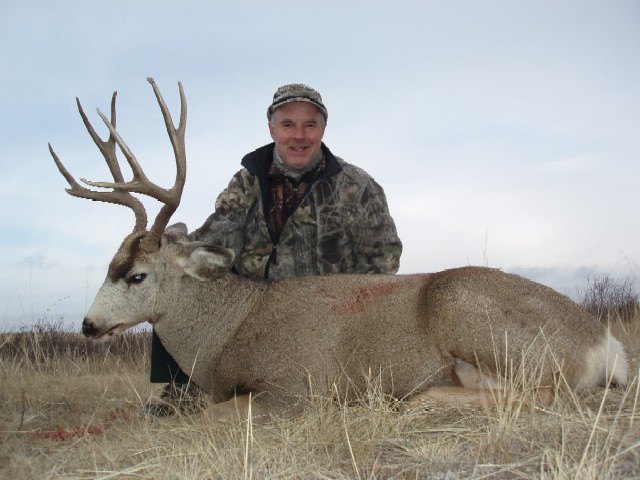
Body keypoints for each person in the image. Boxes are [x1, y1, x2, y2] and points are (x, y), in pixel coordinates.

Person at [146, 83, 403, 415]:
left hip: (327, 313)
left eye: (309, 125)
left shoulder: (358, 186)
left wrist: (353, 298)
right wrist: (170, 252)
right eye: (287, 125)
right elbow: (221, 231)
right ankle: (181, 390)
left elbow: (386, 254)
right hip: (254, 310)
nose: (299, 135)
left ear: (323, 129)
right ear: (272, 129)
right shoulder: (248, 181)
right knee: (168, 279)